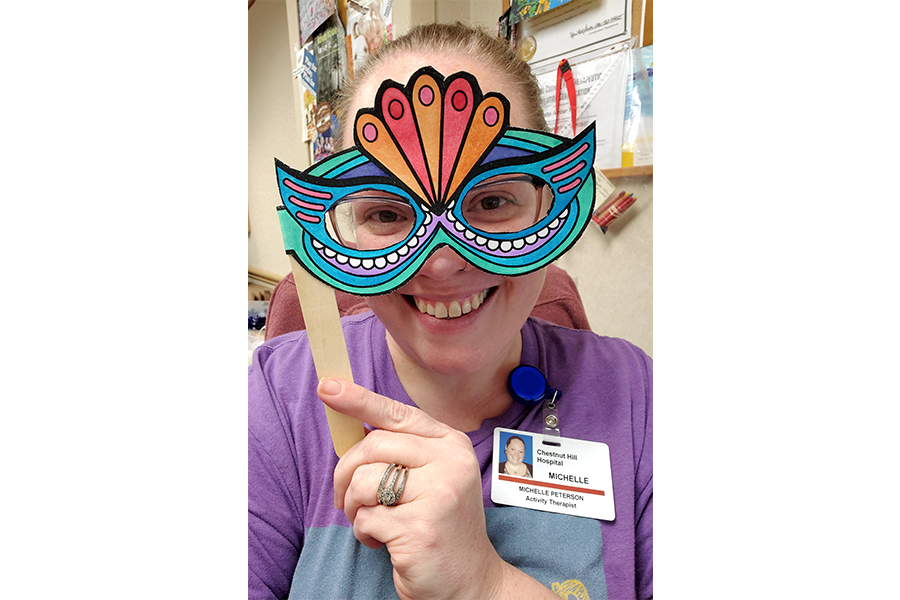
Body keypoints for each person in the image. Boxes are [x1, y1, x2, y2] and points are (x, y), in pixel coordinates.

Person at [249, 21, 652, 600]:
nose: (439, 265)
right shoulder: (273, 403)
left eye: (490, 202)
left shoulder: (637, 398)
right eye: (387, 214)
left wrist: (485, 586)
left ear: (554, 198)